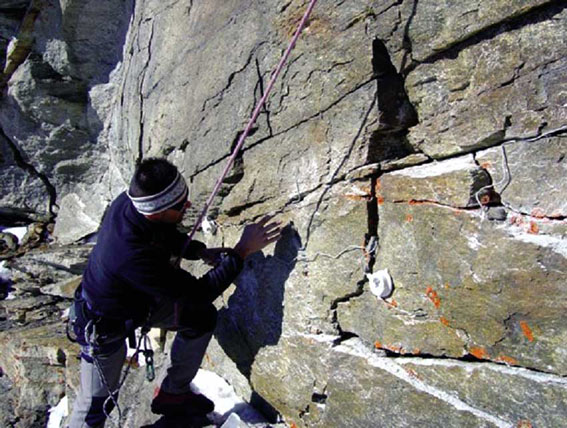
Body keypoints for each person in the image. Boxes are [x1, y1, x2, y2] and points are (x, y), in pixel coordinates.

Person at [68, 158, 281, 427]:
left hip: (136, 300)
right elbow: (197, 293)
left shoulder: (131, 201)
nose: (188, 206)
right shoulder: (129, 255)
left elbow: (160, 234)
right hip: (104, 325)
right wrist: (241, 252)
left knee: (200, 318)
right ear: (156, 210)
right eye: (180, 206)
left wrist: (198, 250)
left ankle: (173, 394)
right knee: (95, 407)